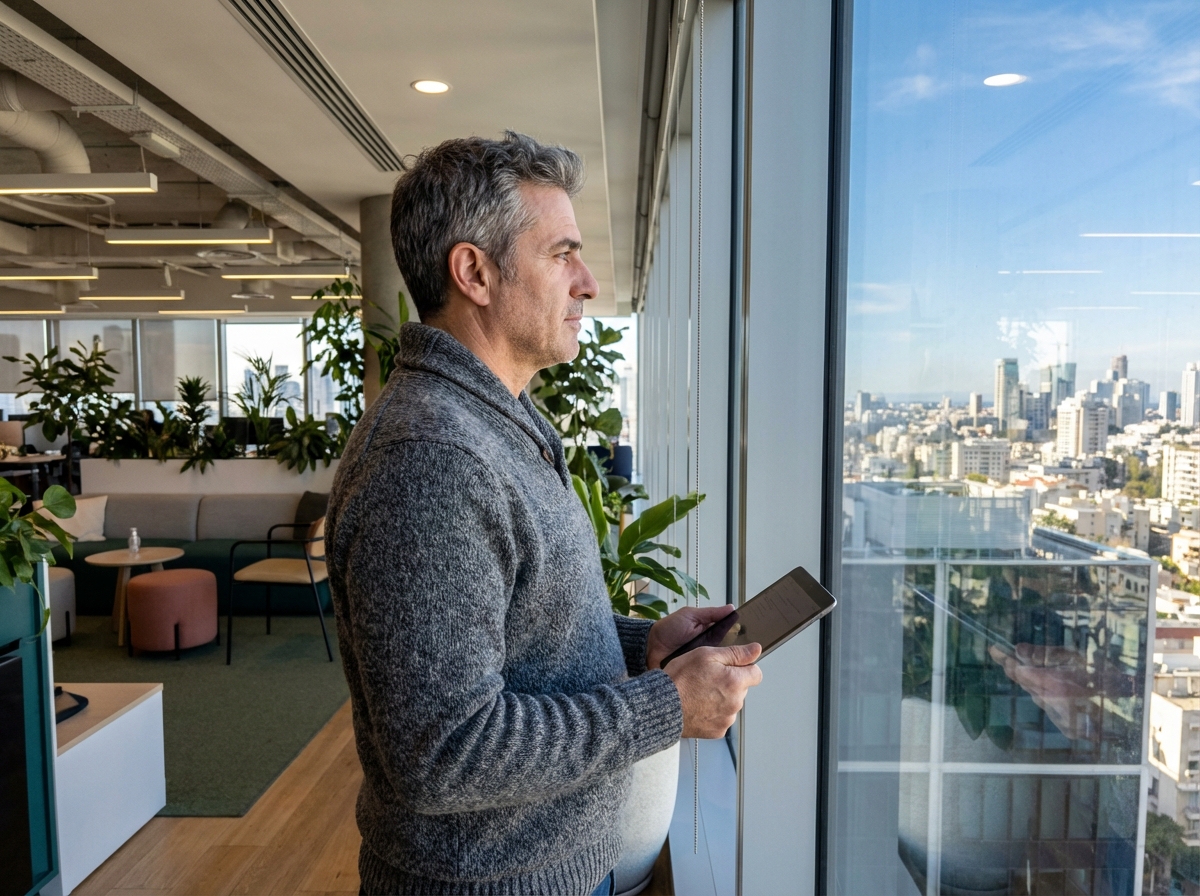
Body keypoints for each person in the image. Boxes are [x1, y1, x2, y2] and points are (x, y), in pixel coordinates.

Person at [326, 131, 763, 895]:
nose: (588, 283)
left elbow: (516, 626)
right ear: (475, 273)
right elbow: (443, 751)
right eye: (563, 255)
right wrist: (666, 705)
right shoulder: (433, 458)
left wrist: (641, 644)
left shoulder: (495, 422)